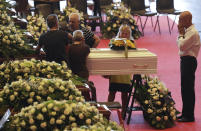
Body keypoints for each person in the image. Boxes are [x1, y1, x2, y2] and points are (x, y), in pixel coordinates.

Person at [177, 11, 201, 122]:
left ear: (187, 20)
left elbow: (181, 46)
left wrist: (180, 34)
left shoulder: (192, 33)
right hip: (186, 61)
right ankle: (185, 113)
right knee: (184, 88)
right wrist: (181, 34)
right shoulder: (188, 31)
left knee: (188, 89)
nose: (179, 22)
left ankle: (189, 115)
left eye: (181, 20)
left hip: (189, 61)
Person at [106, 25, 134, 115]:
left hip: (126, 72)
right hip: (115, 71)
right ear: (119, 33)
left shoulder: (132, 43)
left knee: (124, 94)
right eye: (123, 33)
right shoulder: (114, 42)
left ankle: (124, 111)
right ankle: (107, 110)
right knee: (112, 92)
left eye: (127, 33)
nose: (124, 35)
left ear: (129, 34)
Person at [68, 30, 97, 101]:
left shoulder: (69, 48)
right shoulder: (86, 48)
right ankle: (90, 101)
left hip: (72, 74)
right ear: (83, 38)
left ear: (73, 38)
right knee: (88, 88)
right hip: (83, 74)